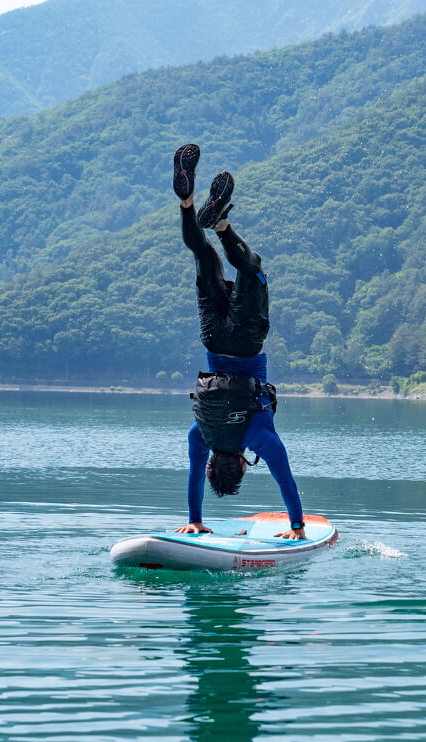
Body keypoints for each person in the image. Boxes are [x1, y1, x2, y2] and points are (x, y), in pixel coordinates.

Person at [172, 143, 306, 540]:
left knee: (254, 271)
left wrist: (297, 526)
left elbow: (286, 479)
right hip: (213, 339)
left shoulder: (258, 438)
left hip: (247, 342)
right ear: (215, 460)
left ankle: (221, 224)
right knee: (204, 258)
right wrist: (194, 515)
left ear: (244, 465)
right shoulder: (201, 434)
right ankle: (188, 202)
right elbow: (195, 475)